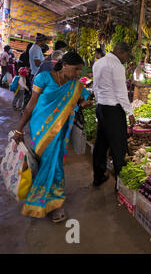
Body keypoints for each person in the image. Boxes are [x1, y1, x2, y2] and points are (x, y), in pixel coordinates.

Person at [12, 52, 92, 222]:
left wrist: (82, 104)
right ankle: (48, 199)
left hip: (58, 131)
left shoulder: (75, 86)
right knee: (40, 162)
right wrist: (19, 130)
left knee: (53, 163)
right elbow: (30, 105)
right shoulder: (44, 78)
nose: (79, 74)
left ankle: (54, 205)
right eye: (76, 69)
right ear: (64, 65)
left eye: (80, 70)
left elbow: (84, 98)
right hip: (39, 127)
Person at [92, 42, 135, 187]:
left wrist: (99, 103)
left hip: (101, 108)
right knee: (118, 146)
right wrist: (130, 112)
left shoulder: (99, 63)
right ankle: (120, 184)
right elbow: (121, 92)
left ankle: (98, 176)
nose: (126, 59)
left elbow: (95, 87)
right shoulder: (117, 66)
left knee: (101, 144)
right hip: (113, 111)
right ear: (121, 52)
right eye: (126, 56)